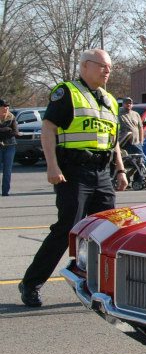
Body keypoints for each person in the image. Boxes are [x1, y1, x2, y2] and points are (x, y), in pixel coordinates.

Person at [19, 49, 127, 307]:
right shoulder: (67, 92)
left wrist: (121, 170)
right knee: (67, 229)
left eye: (110, 67)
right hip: (73, 172)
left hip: (102, 172)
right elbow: (48, 129)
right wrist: (52, 166)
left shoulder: (110, 100)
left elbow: (113, 141)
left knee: (106, 231)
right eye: (103, 66)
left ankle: (99, 286)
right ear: (85, 67)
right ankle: (31, 283)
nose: (108, 71)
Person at [0, 98, 19, 197]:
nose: (6, 109)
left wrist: (3, 130)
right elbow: (9, 131)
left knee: (7, 170)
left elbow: (15, 132)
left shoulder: (11, 117)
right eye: (4, 107)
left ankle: (5, 191)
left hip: (10, 146)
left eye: (7, 107)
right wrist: (7, 130)